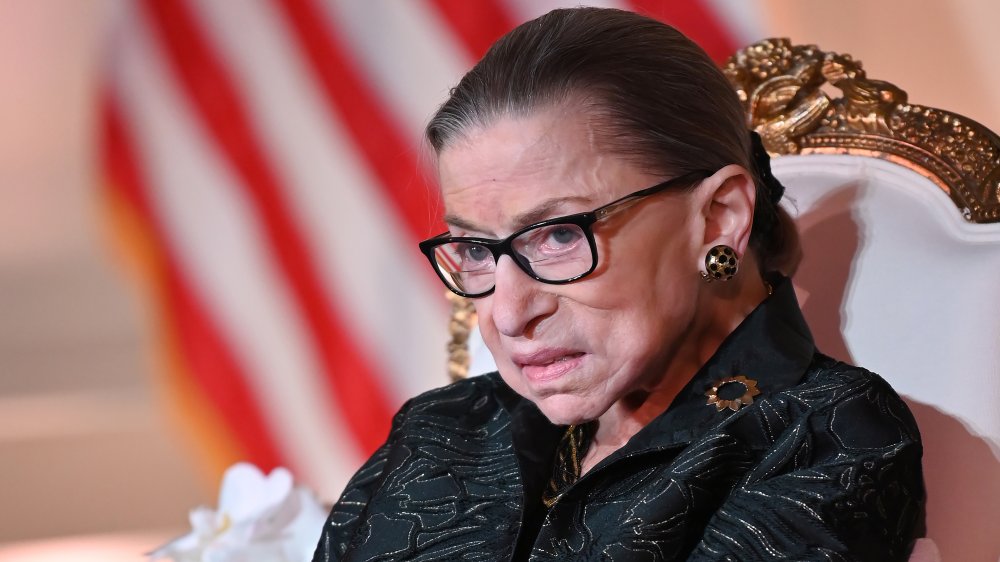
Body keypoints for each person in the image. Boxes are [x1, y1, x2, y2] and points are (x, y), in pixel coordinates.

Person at [312, 7, 924, 561]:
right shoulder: (440, 428)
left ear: (718, 218)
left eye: (556, 235)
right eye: (476, 248)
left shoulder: (823, 438)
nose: (506, 314)